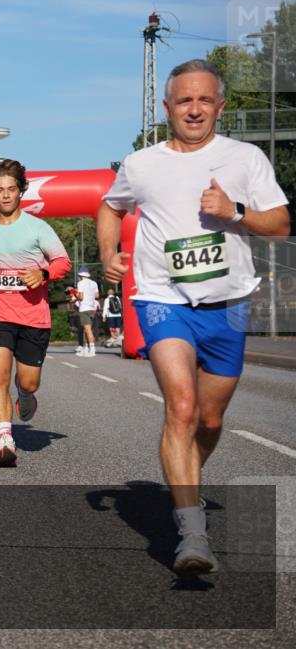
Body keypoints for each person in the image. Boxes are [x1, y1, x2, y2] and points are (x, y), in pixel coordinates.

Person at [97, 59, 290, 575]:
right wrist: (109, 253)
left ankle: (185, 481)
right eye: (184, 100)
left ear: (220, 106)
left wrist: (236, 214)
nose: (195, 109)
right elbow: (109, 207)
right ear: (167, 108)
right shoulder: (141, 165)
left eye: (205, 100)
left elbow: (280, 224)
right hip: (162, 299)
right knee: (180, 408)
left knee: (209, 418)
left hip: (228, 306)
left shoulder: (245, 159)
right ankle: (192, 532)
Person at [0, 159, 71, 466]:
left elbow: (62, 262)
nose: (5, 195)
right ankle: (5, 438)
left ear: (22, 191)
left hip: (33, 315)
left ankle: (26, 393)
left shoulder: (38, 227)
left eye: (11, 189)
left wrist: (43, 275)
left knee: (29, 381)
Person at [76, 267, 100, 357]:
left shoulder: (80, 283)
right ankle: (86, 348)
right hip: (92, 308)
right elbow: (97, 295)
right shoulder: (94, 283)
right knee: (88, 330)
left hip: (84, 308)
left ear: (81, 275)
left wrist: (76, 295)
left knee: (88, 330)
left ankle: (92, 350)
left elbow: (81, 297)